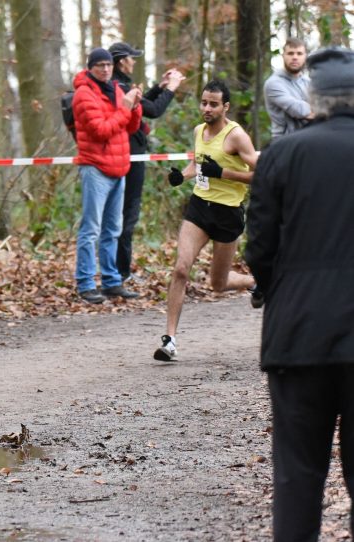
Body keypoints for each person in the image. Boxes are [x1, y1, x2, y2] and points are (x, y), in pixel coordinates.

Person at [246, 46, 354, 542]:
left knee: (297, 477)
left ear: (314, 99)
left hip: (297, 334)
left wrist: (272, 292)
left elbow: (260, 248)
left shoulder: (282, 155)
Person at [153, 80, 257, 361]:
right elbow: (197, 163)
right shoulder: (199, 130)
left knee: (218, 284)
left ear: (225, 107)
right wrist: (183, 175)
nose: (207, 108)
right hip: (200, 208)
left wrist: (223, 173)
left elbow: (259, 173)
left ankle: (254, 282)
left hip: (228, 213)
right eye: (203, 102)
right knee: (181, 269)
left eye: (213, 104)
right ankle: (169, 340)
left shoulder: (237, 136)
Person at [108, 42, 184, 281]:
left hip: (128, 154)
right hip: (129, 157)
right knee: (127, 214)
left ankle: (119, 271)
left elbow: (141, 106)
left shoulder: (117, 84)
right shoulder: (120, 86)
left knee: (120, 214)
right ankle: (121, 273)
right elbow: (153, 111)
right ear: (122, 61)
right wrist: (171, 88)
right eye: (132, 58)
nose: (134, 62)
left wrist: (158, 87)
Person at [71, 48, 143, 304]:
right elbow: (100, 130)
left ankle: (112, 281)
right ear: (90, 67)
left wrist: (134, 107)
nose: (105, 69)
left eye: (108, 65)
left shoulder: (116, 89)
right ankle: (86, 283)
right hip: (96, 168)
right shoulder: (83, 94)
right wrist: (124, 109)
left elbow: (132, 127)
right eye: (99, 65)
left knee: (113, 229)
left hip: (118, 167)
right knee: (91, 229)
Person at [264, 37, 313, 139]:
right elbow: (299, 110)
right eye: (290, 53)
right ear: (283, 56)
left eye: (299, 53)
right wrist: (321, 111)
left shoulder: (308, 82)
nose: (295, 57)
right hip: (283, 142)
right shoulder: (273, 83)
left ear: (305, 56)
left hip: (308, 139)